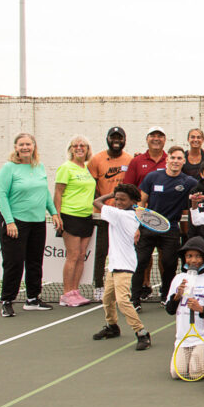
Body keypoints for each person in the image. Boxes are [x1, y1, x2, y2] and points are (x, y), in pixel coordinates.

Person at [0, 132, 62, 315]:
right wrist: (9, 222)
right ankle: (7, 301)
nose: (25, 147)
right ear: (16, 148)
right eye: (21, 144)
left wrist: (54, 213)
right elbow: (2, 195)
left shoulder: (39, 167)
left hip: (37, 222)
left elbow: (45, 193)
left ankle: (33, 299)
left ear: (34, 147)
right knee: (14, 263)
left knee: (34, 261)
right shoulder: (9, 168)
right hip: (16, 222)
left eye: (28, 144)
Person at [135, 146, 199, 304]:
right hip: (147, 228)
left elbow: (200, 193)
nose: (175, 161)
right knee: (140, 261)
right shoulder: (152, 177)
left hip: (171, 229)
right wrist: (137, 226)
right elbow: (141, 201)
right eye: (173, 158)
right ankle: (134, 298)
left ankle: (166, 294)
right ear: (167, 160)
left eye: (179, 158)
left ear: (184, 161)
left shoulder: (189, 182)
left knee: (169, 263)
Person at [90, 184, 148, 348]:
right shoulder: (126, 213)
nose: (118, 202)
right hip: (114, 265)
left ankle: (142, 333)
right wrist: (116, 195)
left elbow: (96, 201)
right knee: (107, 299)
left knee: (122, 301)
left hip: (125, 265)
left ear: (132, 201)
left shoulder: (120, 215)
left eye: (123, 199)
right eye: (116, 199)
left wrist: (110, 194)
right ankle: (112, 326)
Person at [164, 236, 204, 380]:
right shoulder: (178, 279)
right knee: (177, 373)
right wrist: (177, 296)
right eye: (189, 256)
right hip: (182, 338)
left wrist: (201, 309)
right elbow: (170, 310)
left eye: (198, 256)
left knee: (196, 373)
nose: (193, 260)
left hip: (202, 337)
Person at [88, 127, 131, 300]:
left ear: (124, 140)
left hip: (124, 216)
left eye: (119, 138)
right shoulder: (96, 159)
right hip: (103, 214)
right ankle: (99, 285)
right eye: (113, 138)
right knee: (101, 252)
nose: (116, 141)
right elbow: (90, 186)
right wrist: (103, 207)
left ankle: (125, 286)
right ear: (107, 139)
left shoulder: (129, 159)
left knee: (125, 252)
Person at [53, 134, 96, 307]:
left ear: (87, 150)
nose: (79, 148)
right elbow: (58, 192)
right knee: (72, 255)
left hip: (87, 216)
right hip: (70, 216)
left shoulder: (86, 169)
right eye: (75, 146)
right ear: (70, 149)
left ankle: (75, 291)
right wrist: (57, 215)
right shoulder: (66, 168)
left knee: (80, 256)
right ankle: (66, 294)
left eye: (82, 146)